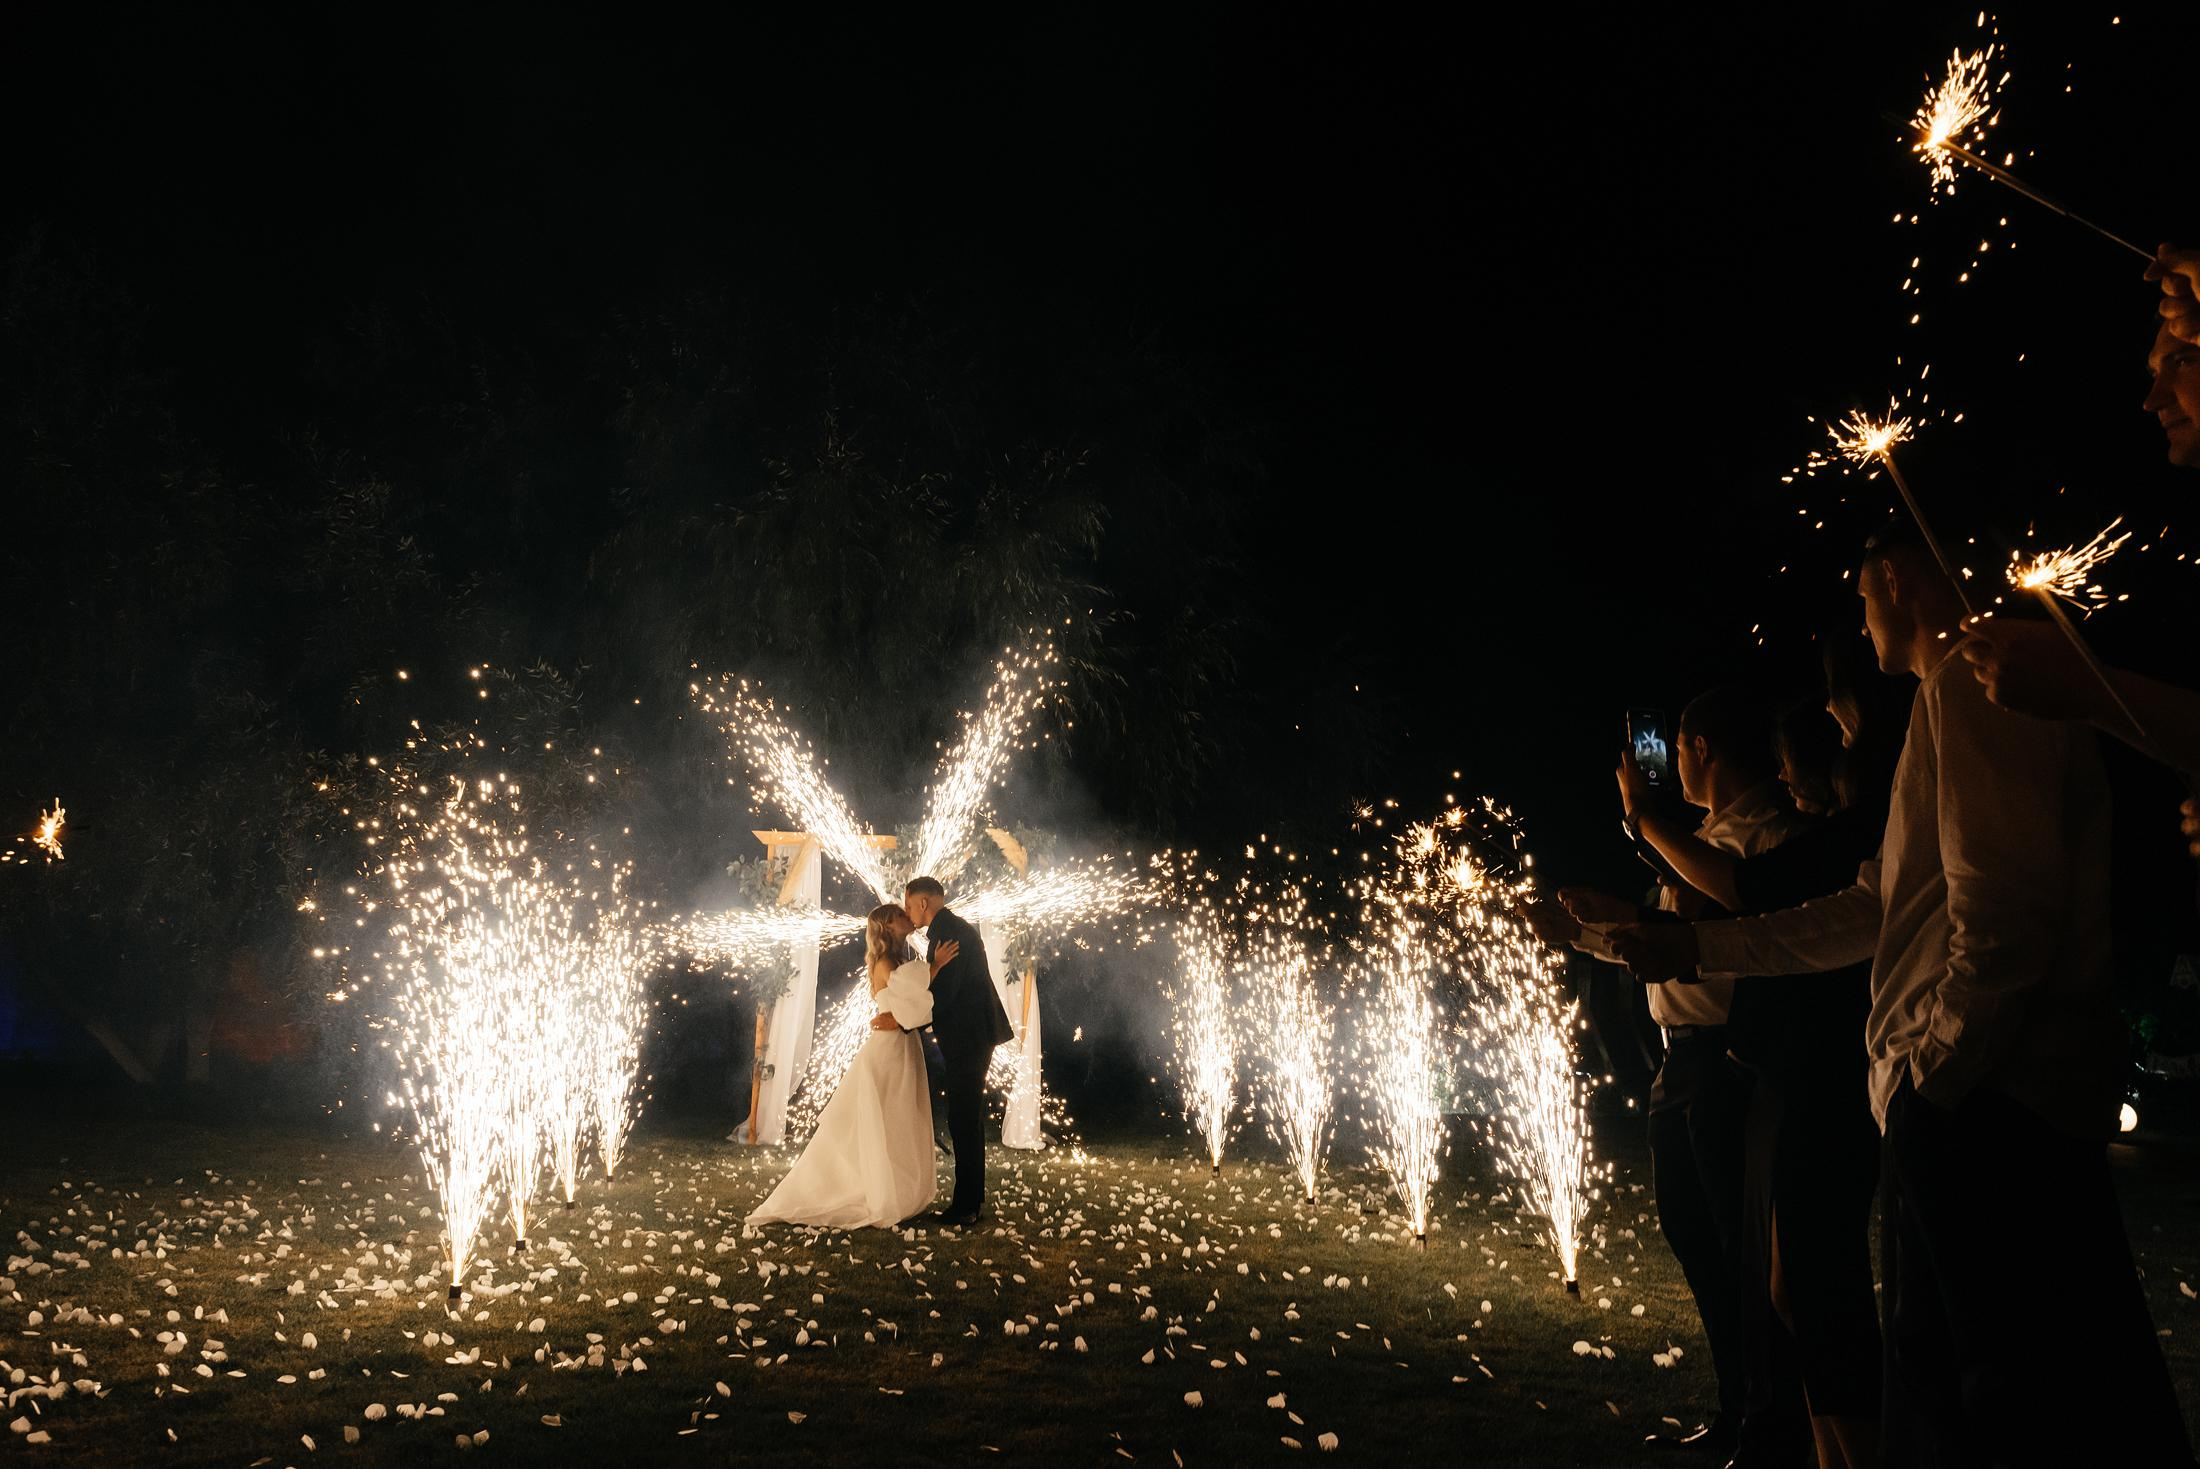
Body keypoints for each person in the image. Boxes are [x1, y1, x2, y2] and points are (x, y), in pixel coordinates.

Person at [1611, 521, 2193, 1467]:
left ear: (1894, 578)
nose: (1861, 619)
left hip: (1986, 1112)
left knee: (1994, 1407)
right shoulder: (1946, 696)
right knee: (1966, 1394)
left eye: (1862, 596)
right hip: (1968, 1106)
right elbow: (1871, 906)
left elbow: (2003, 921)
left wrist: (1934, 1077)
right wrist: (1696, 946)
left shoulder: (1978, 684)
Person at [1621, 639, 1908, 1469]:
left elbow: (1768, 912)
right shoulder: (1824, 836)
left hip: (1806, 1074)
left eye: (1838, 724)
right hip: (1773, 1068)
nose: (1787, 774)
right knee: (1786, 1279)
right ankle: (1786, 1429)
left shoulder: (1808, 840)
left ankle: (1797, 1431)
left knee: (1806, 1281)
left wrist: (1646, 825)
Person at [1532, 685, 1811, 1460]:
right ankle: (1739, 1409)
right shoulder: (1704, 839)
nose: (1671, 762)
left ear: (1702, 749)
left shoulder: (1766, 841)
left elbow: (1719, 937)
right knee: (1696, 1240)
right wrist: (1579, 932)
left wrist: (1640, 817)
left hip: (1731, 1060)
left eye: (1679, 747)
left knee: (1741, 1251)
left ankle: (1775, 1424)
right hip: (1680, 1061)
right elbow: (1664, 941)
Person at [747, 904, 954, 1229]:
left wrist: (921, 986)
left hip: (901, 1045)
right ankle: (877, 1190)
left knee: (898, 1117)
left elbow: (912, 1001)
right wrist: (936, 965)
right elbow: (912, 991)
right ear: (888, 926)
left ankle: (896, 1189)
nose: (907, 917)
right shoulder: (886, 962)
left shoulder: (896, 959)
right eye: (900, 916)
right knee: (887, 1116)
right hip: (889, 1051)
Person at [888, 875, 1015, 1226]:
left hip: (969, 1038)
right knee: (965, 1118)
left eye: (909, 904)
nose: (908, 911)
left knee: (963, 1119)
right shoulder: (950, 928)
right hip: (972, 1036)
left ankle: (966, 1206)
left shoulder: (948, 932)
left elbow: (945, 994)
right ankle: (970, 1202)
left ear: (923, 903)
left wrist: (905, 1022)